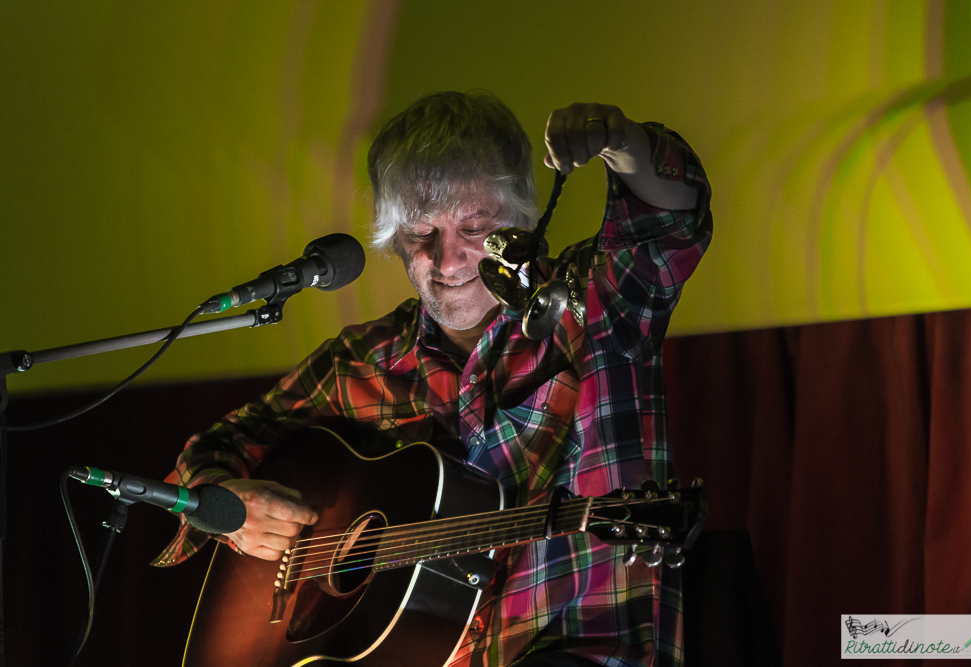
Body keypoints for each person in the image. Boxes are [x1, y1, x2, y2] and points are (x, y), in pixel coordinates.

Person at [154, 91, 712, 667]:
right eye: (421, 232)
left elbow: (669, 223)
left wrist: (622, 142)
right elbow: (216, 448)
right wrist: (230, 508)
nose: (447, 261)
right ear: (394, 239)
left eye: (475, 227)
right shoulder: (360, 360)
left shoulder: (590, 303)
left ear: (520, 221)